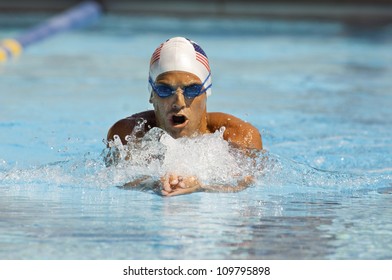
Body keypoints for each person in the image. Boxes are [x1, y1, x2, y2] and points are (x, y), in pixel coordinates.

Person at [107, 37, 262, 196]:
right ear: (152, 94)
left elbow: (247, 182)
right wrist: (153, 183)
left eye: (192, 90)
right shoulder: (129, 134)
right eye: (165, 90)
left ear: (206, 92)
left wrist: (201, 186)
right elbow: (115, 180)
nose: (178, 102)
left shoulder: (237, 135)